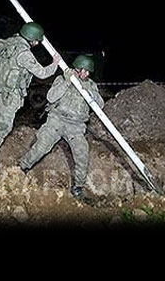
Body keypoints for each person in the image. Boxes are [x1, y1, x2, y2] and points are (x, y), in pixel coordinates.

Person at [0, 22, 60, 173]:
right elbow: (42, 73)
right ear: (32, 39)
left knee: (2, 125)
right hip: (9, 95)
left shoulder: (8, 43)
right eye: (37, 41)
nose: (37, 44)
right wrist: (55, 63)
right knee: (3, 127)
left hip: (0, 91)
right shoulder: (24, 53)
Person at [20, 55, 104, 201]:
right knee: (41, 146)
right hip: (56, 121)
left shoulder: (91, 85)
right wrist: (67, 82)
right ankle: (22, 168)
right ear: (75, 68)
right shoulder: (63, 79)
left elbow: (100, 105)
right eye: (81, 70)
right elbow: (51, 97)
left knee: (82, 154)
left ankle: (78, 188)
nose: (84, 74)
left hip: (76, 126)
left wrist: (91, 92)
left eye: (87, 71)